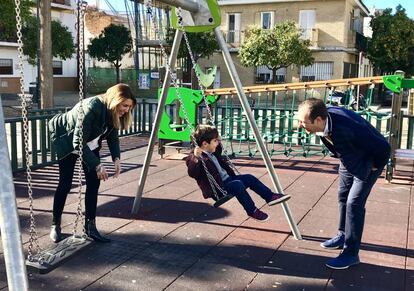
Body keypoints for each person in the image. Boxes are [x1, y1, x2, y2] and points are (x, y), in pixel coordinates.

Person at [297, 98, 390, 269]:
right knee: (342, 196)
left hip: (369, 161)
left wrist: (375, 166)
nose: (300, 125)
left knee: (354, 203)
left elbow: (384, 148)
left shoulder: (345, 129)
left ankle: (351, 253)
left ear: (318, 120)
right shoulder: (325, 117)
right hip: (348, 157)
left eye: (303, 122)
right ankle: (342, 234)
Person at [48, 83, 136, 243]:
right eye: (124, 105)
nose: (126, 110)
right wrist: (97, 164)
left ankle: (90, 227)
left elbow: (112, 135)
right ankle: (55, 225)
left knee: (94, 182)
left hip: (88, 144)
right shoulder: (92, 107)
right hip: (68, 142)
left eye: (129, 107)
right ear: (115, 100)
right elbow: (77, 142)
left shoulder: (113, 112)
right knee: (65, 184)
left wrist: (116, 157)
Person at [186, 125, 291, 221]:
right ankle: (252, 211)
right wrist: (195, 158)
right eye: (215, 140)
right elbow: (192, 172)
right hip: (219, 189)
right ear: (205, 144)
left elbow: (218, 148)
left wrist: (218, 139)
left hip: (228, 181)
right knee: (238, 185)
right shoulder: (196, 157)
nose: (217, 143)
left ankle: (270, 196)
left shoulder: (212, 151)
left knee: (249, 178)